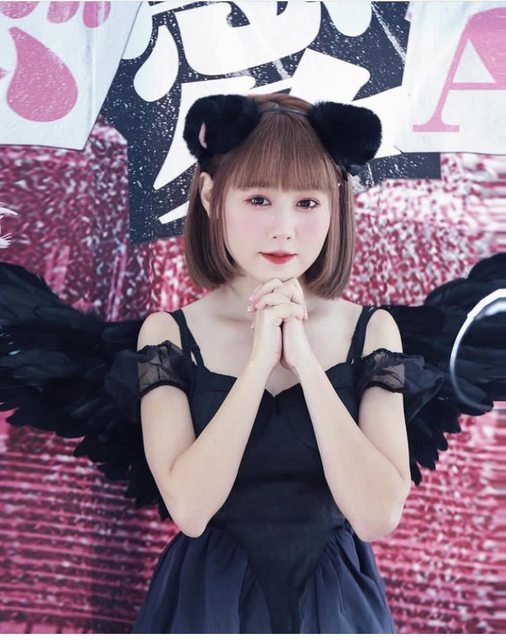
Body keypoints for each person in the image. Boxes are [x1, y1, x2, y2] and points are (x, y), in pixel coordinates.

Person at [132, 91, 412, 633]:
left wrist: (304, 360)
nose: (283, 227)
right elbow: (190, 510)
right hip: (208, 600)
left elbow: (376, 515)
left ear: (335, 203)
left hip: (335, 604)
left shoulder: (372, 330)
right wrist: (259, 362)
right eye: (258, 199)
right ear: (211, 196)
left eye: (307, 203)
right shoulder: (168, 334)